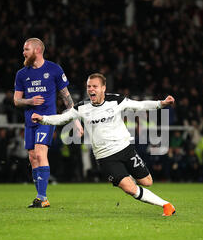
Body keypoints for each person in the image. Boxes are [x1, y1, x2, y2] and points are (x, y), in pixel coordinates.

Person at [31, 73, 176, 216]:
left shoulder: (117, 100)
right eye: (89, 86)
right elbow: (62, 118)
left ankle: (128, 179)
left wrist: (161, 103)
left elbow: (140, 105)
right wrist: (43, 119)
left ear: (103, 88)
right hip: (106, 157)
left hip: (126, 149)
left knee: (147, 182)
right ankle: (166, 205)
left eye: (95, 86)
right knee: (130, 189)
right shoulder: (82, 107)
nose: (91, 89)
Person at [13, 38, 83, 208]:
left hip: (47, 119)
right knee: (32, 157)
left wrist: (76, 119)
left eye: (26, 49)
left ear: (37, 50)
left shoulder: (54, 69)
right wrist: (30, 102)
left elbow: (66, 96)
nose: (23, 52)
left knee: (39, 153)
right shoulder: (21, 74)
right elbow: (16, 100)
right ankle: (40, 197)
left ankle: (42, 197)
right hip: (30, 121)